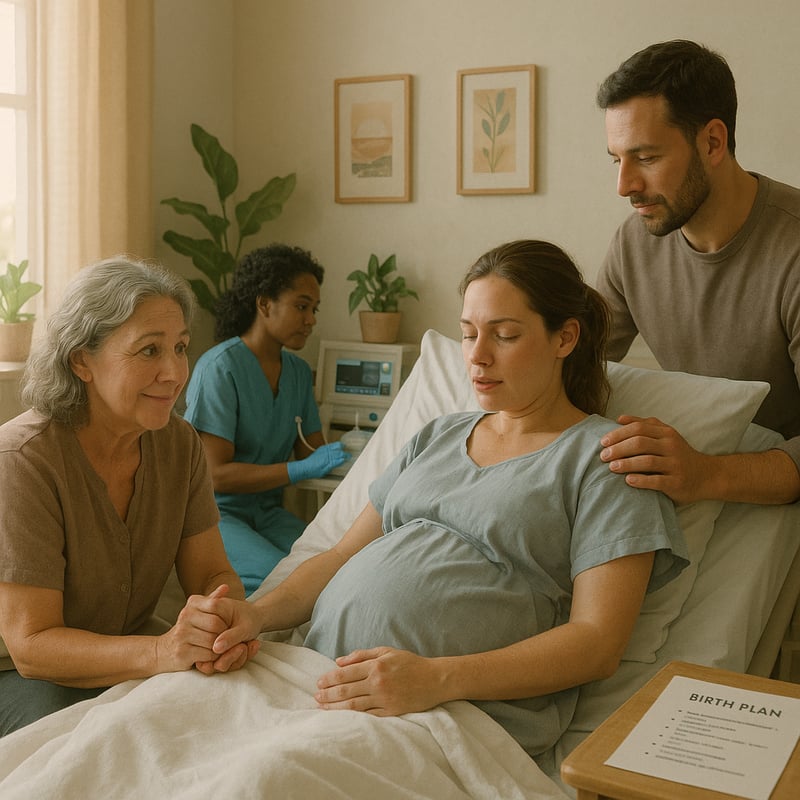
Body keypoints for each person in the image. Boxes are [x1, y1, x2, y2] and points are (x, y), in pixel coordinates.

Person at [195, 239, 688, 772]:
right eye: (469, 333)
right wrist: (256, 614)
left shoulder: (603, 460)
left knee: (257, 781)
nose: (476, 355)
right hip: (312, 680)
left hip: (446, 712)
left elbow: (597, 643)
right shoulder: (437, 435)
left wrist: (435, 678)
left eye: (504, 335)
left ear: (564, 337)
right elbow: (339, 557)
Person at [0, 256, 259, 737]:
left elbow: (210, 573)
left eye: (180, 347)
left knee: (234, 720)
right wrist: (163, 652)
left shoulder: (179, 445)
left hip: (128, 653)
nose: (174, 372)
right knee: (86, 743)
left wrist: (222, 621)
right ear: (82, 360)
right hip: (17, 675)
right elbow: (31, 645)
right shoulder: (22, 461)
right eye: (148, 351)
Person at [595, 39, 800, 506]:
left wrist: (705, 474)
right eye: (617, 159)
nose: (624, 185)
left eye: (645, 158)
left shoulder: (793, 251)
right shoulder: (634, 243)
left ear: (712, 142)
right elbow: (575, 362)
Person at [183, 244, 348, 596]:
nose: (312, 319)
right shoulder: (220, 369)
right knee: (283, 583)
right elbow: (216, 476)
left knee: (333, 570)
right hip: (217, 517)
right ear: (264, 303)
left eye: (314, 309)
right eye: (301, 306)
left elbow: (312, 453)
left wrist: (359, 451)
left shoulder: (299, 373)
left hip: (269, 513)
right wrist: (297, 470)